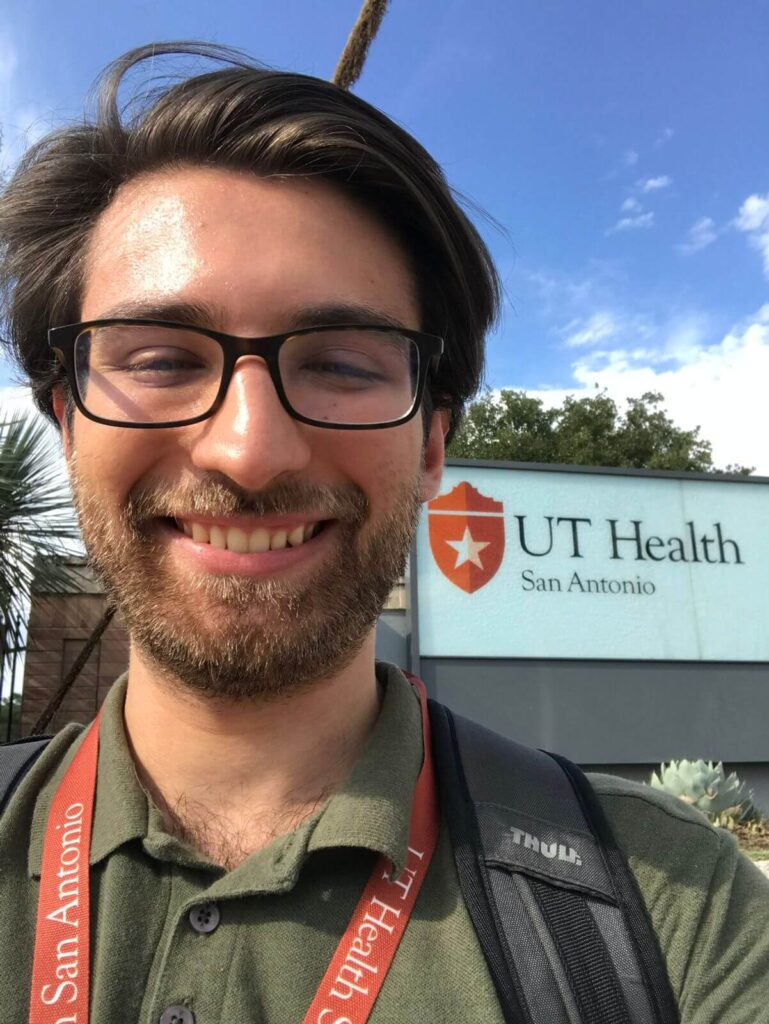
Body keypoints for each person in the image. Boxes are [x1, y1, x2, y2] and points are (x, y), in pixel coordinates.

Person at [0, 41, 767, 1024]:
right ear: (68, 421)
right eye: (160, 359)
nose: (250, 450)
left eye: (339, 364)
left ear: (432, 442)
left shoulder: (673, 909)